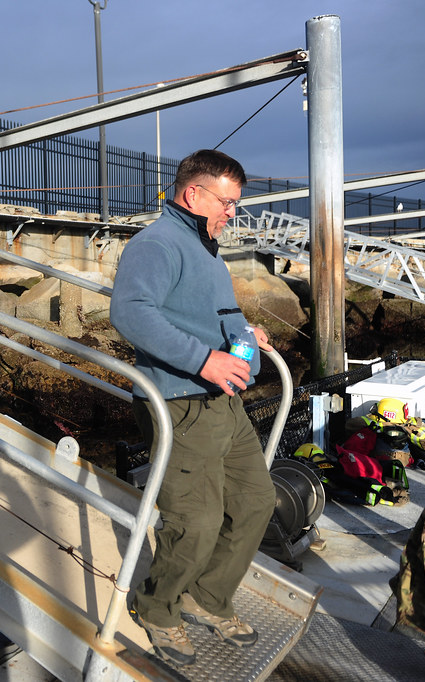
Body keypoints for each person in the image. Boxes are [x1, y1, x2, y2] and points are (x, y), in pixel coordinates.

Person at [110, 149, 276, 666]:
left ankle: (206, 597)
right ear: (193, 194)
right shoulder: (158, 242)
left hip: (225, 404)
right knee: (195, 521)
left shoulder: (204, 247)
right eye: (227, 203)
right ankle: (158, 609)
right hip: (182, 404)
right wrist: (204, 361)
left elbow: (207, 312)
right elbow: (130, 312)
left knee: (255, 502)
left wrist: (242, 333)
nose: (232, 213)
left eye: (235, 205)